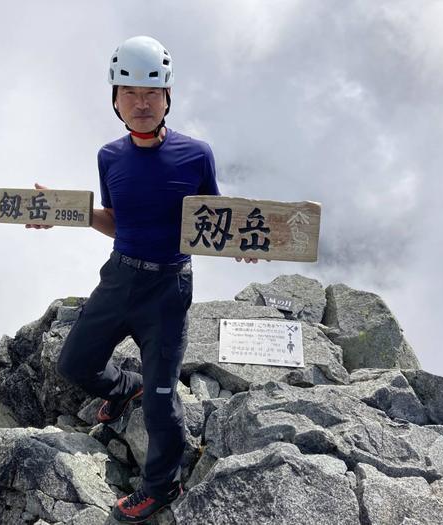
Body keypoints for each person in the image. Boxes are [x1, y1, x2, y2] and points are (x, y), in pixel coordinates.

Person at [28, 35, 261, 523]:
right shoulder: (109, 157)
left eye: (150, 93)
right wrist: (69, 213)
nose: (140, 103)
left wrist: (240, 242)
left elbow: (211, 221)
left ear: (167, 98)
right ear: (114, 98)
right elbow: (118, 219)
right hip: (119, 279)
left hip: (169, 290)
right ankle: (124, 387)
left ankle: (162, 484)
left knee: (162, 405)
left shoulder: (197, 155)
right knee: (74, 363)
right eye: (129, 92)